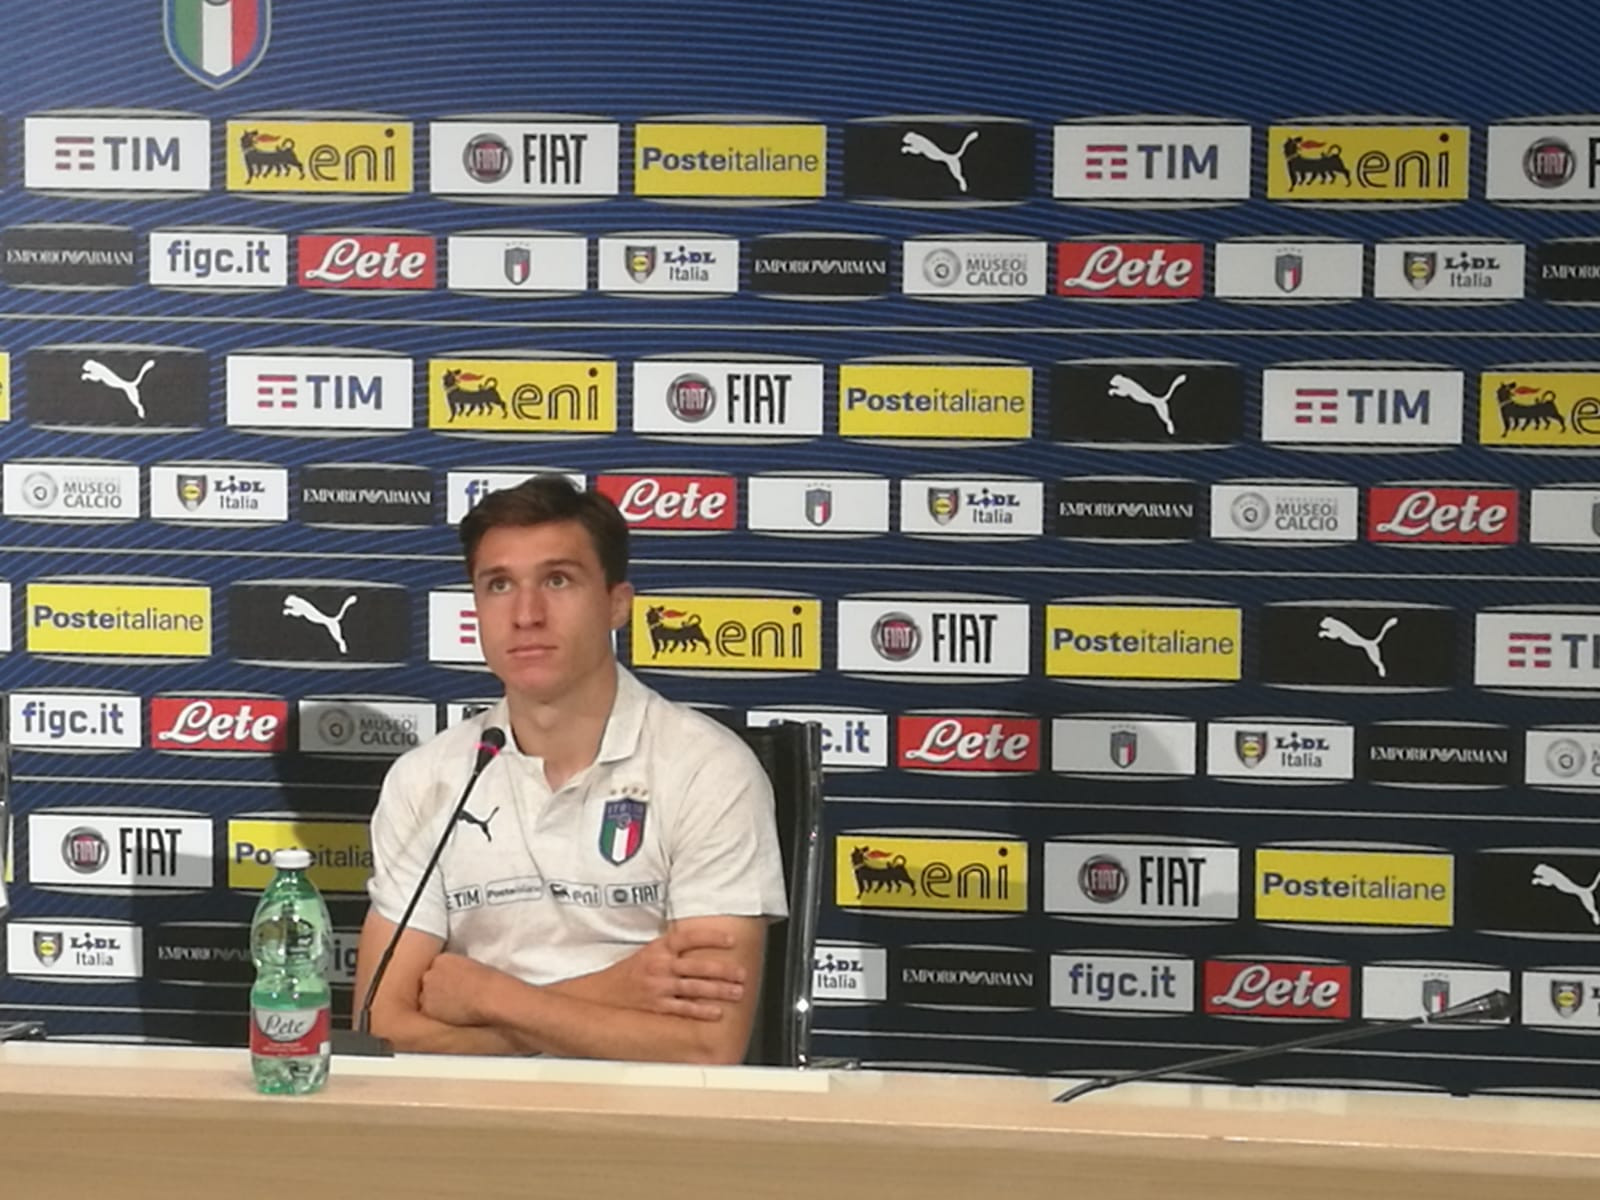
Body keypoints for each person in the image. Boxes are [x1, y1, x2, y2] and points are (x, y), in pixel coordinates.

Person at [353, 475, 788, 1062]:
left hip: (646, 1114)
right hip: (469, 1113)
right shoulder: (426, 780)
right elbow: (379, 1029)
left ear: (617, 604)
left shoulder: (709, 770)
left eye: (558, 580)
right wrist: (614, 990)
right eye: (499, 585)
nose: (526, 614)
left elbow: (706, 1046)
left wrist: (487, 996)